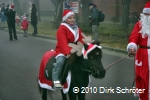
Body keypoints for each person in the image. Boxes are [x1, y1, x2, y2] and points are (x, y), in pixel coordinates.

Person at [52, 9, 84, 88]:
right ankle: (56, 80)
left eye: (73, 17)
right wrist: (68, 53)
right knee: (60, 62)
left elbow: (81, 39)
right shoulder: (62, 29)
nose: (72, 19)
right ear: (65, 19)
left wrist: (82, 47)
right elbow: (63, 42)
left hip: (75, 49)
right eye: (70, 18)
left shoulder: (77, 28)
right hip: (63, 50)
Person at [127, 1, 150, 100]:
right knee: (143, 79)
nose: (147, 16)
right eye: (145, 14)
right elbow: (134, 37)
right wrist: (132, 46)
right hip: (143, 55)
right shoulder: (139, 25)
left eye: (149, 14)